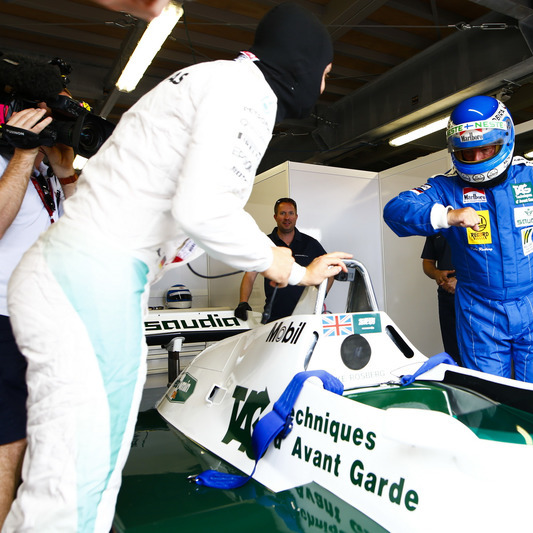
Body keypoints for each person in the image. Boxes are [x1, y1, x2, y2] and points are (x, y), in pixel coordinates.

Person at [4, 4, 350, 532]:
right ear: (302, 63)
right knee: (77, 480)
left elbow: (180, 216)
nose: (323, 89)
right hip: (91, 277)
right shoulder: (246, 93)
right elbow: (204, 210)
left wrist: (297, 263)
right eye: (325, 74)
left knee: (80, 471)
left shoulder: (212, 82)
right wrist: (283, 264)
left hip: (86, 273)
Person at [384, 95, 533, 385]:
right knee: (491, 396)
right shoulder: (446, 187)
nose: (477, 158)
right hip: (479, 312)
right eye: (468, 153)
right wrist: (447, 216)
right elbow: (395, 210)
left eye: (486, 149)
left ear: (505, 139)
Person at [0, 102, 76, 529]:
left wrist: (63, 172)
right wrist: (22, 153)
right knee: (7, 442)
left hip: (46, 322)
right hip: (3, 317)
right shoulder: (10, 161)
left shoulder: (47, 174)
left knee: (40, 438)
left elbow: (79, 228)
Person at [235, 198, 327, 323]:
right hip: (274, 317)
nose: (287, 217)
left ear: (296, 216)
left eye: (290, 213)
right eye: (282, 213)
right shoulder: (265, 243)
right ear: (275, 217)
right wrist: (243, 302)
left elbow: (329, 272)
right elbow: (250, 275)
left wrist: (320, 296)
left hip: (306, 317)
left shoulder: (310, 243)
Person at [421, 234, 460, 365]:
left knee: (477, 352)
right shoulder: (436, 226)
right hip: (446, 297)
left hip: (473, 297)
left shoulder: (474, 220)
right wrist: (437, 274)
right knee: (452, 351)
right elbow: (427, 262)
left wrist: (461, 281)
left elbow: (488, 261)